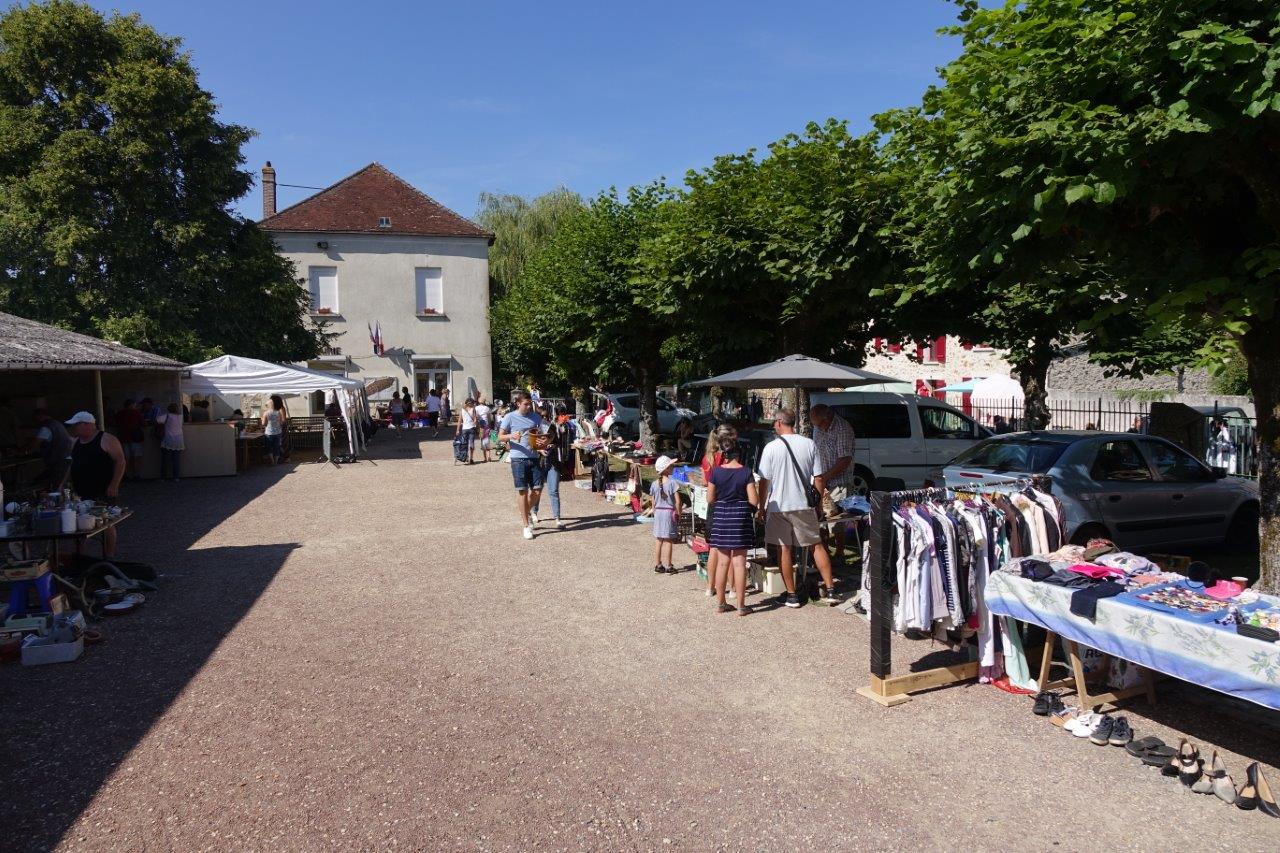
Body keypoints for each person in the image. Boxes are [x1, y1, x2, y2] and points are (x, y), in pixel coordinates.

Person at [756, 409, 840, 607]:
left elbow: (764, 481)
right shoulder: (809, 444)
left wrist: (761, 506)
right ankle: (830, 589)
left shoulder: (771, 448)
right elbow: (818, 478)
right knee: (815, 545)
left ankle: (792, 594)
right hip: (803, 504)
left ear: (778, 423)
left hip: (779, 505)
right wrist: (818, 504)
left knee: (784, 549)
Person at [707, 430, 756, 615]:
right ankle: (742, 606)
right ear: (738, 452)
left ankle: (721, 603)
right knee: (739, 563)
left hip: (721, 517)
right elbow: (754, 500)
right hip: (740, 518)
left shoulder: (716, 472)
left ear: (723, 453)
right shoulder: (746, 472)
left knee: (722, 563)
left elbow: (710, 498)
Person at [65, 411, 125, 556]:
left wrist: (114, 484)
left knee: (105, 523)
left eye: (76, 425)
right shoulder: (76, 442)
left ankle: (108, 556)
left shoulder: (107, 439)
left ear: (86, 425)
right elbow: (72, 464)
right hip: (81, 489)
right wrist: (64, 484)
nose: (73, 429)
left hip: (102, 489)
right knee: (78, 523)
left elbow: (120, 461)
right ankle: (80, 555)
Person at [810, 403, 857, 566]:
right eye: (815, 425)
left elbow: (845, 459)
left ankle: (839, 552)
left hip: (839, 482)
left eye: (820, 424)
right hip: (821, 479)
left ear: (827, 416)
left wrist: (826, 477)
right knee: (820, 515)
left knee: (838, 521)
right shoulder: (818, 427)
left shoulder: (842, 428)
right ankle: (824, 550)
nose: (818, 427)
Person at [498, 391, 546, 539]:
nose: (528, 406)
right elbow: (499, 437)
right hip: (518, 459)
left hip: (534, 457)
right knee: (522, 492)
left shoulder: (536, 417)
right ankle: (526, 526)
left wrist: (542, 443)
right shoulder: (509, 417)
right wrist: (511, 436)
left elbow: (542, 435)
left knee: (537, 491)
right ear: (518, 403)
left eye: (529, 403)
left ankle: (525, 511)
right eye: (525, 404)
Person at [700, 424, 738, 598]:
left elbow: (704, 482)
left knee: (713, 548)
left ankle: (710, 586)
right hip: (727, 502)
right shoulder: (726, 458)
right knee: (729, 548)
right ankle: (732, 588)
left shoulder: (707, 458)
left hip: (713, 504)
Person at [531, 402, 575, 529]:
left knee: (554, 490)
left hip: (554, 461)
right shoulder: (539, 425)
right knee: (537, 489)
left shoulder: (563, 426)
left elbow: (563, 443)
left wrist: (560, 429)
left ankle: (557, 518)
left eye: (545, 411)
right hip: (540, 461)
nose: (543, 413)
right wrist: (540, 450)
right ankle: (534, 512)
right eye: (541, 411)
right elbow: (534, 442)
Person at [650, 455, 683, 574]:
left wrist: (654, 510)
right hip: (669, 513)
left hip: (658, 512)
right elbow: (678, 501)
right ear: (666, 469)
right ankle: (669, 565)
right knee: (668, 540)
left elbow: (653, 499)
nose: (673, 466)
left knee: (659, 540)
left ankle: (658, 564)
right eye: (671, 465)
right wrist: (678, 512)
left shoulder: (654, 484)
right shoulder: (672, 483)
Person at [33, 408, 74, 490]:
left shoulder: (47, 427)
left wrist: (22, 450)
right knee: (62, 485)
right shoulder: (57, 424)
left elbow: (36, 442)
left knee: (58, 485)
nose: (36, 420)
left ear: (40, 416)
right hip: (65, 458)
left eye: (36, 418)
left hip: (58, 461)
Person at [114, 399, 146, 480]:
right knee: (136, 457)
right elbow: (143, 423)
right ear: (131, 405)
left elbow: (115, 423)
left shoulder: (120, 413)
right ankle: (136, 475)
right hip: (135, 438)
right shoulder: (136, 413)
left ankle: (125, 475)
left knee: (125, 458)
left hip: (123, 438)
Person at [155, 403, 185, 481]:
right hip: (178, 440)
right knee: (176, 460)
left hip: (168, 439)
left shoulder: (167, 416)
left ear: (169, 409)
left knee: (165, 460)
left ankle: (163, 477)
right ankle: (176, 477)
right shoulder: (181, 416)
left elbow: (157, 420)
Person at [262, 394, 287, 463]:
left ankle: (280, 459)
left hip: (276, 430)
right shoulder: (276, 410)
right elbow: (282, 420)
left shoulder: (280, 408)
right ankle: (277, 459)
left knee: (275, 445)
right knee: (277, 445)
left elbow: (283, 420)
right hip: (277, 430)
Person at [456, 397, 478, 464]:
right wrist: (476, 424)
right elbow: (475, 419)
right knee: (471, 443)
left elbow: (459, 420)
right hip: (471, 428)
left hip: (464, 429)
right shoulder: (473, 409)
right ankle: (471, 458)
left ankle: (465, 457)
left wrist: (457, 430)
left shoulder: (462, 410)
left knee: (464, 444)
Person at [474, 395, 493, 463]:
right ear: (484, 401)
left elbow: (476, 417)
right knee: (487, 440)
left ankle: (485, 458)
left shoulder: (476, 408)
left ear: (479, 401)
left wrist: (476, 426)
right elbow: (489, 418)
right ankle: (489, 457)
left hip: (480, 425)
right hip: (486, 425)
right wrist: (490, 425)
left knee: (482, 440)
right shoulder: (487, 408)